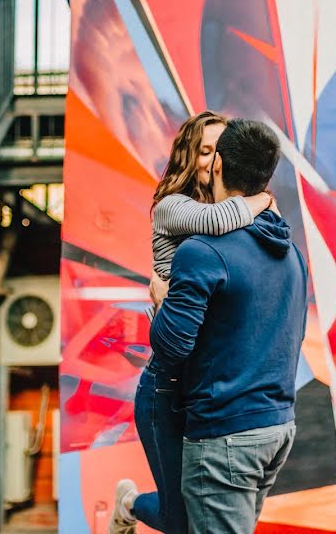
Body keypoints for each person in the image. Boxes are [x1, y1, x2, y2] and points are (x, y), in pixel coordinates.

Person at [108, 111, 274, 534]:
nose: (214, 161)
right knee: (178, 517)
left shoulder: (233, 219)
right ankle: (128, 505)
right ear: (189, 157)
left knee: (197, 515)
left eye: (220, 152)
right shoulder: (174, 208)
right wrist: (262, 200)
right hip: (167, 387)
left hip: (209, 393)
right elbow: (216, 221)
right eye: (205, 151)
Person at [150, 118, 308, 533]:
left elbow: (171, 346)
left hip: (226, 433)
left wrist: (162, 302)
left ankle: (128, 504)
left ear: (218, 165)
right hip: (275, 426)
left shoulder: (201, 251)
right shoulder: (287, 251)